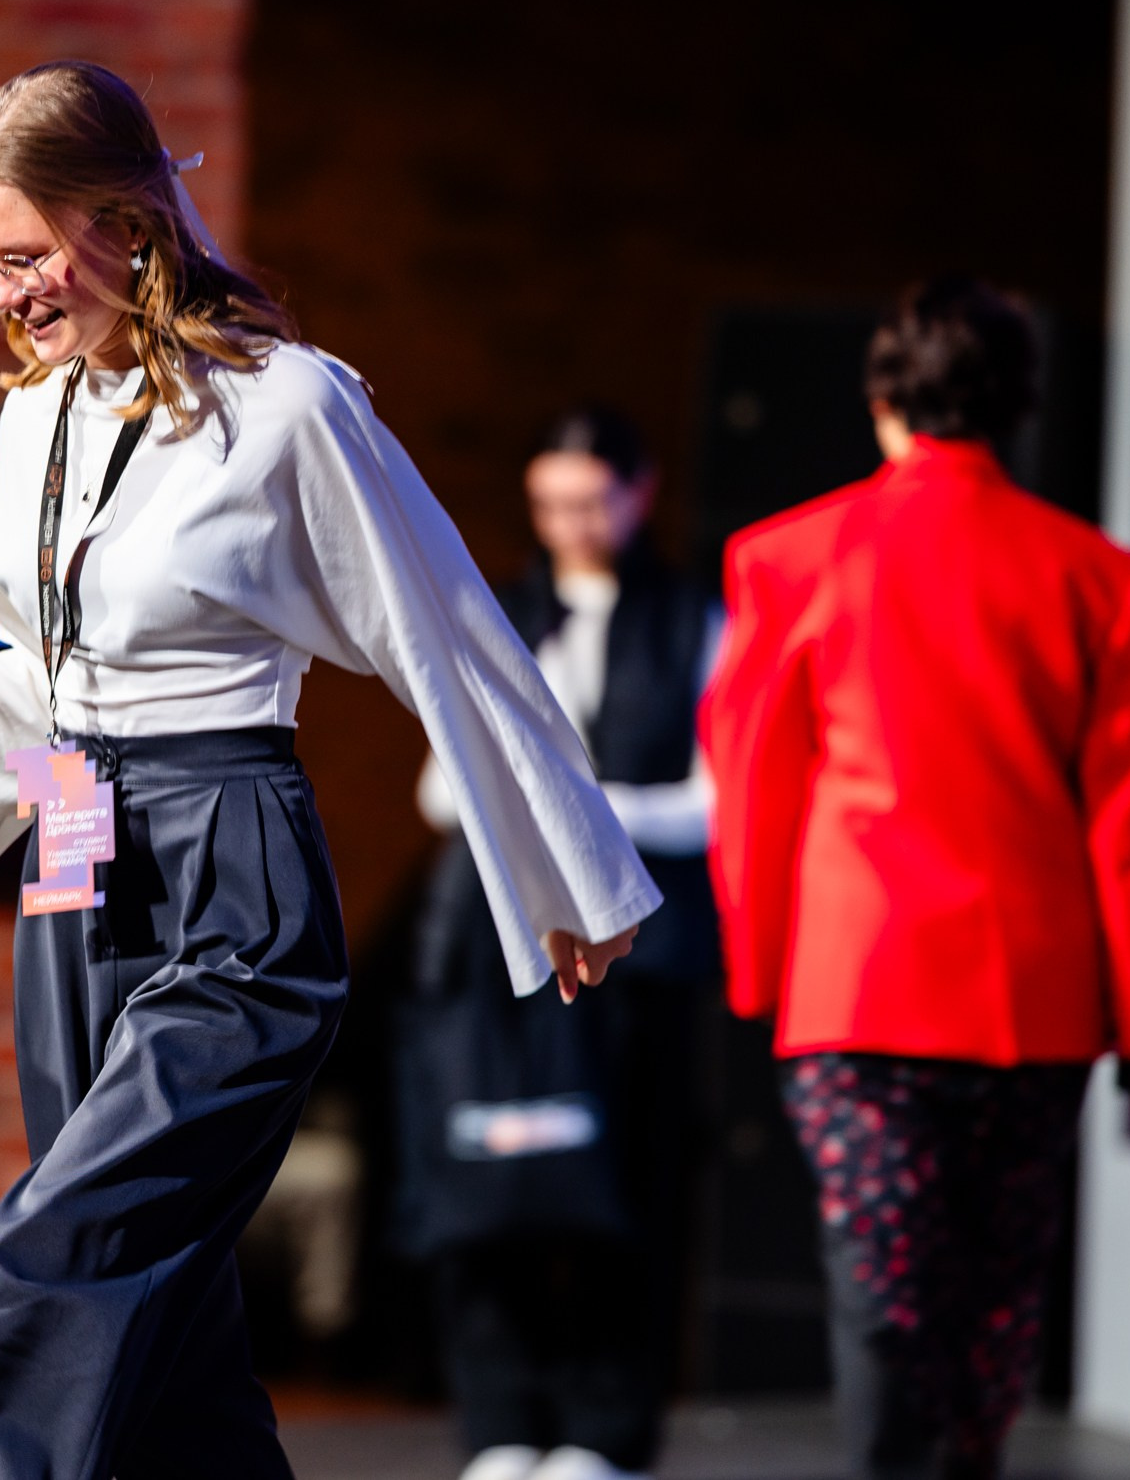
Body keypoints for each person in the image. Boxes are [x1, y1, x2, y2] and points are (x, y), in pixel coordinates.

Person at [0, 59, 657, 1480]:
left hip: (230, 881)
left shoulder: (287, 405)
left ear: (128, 221)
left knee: (42, 1269)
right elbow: (43, 681)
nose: (4, 292)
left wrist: (566, 869)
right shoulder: (35, 415)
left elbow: (450, 634)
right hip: (71, 856)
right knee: (167, 1330)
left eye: (26, 255)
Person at [698, 276, 1130, 1480]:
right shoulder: (1098, 577)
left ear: (881, 401)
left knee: (888, 1298)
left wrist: (759, 977)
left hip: (857, 994)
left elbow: (752, 787)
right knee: (993, 1304)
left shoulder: (789, 558)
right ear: (1021, 407)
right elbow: (1120, 816)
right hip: (1035, 1002)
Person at [400, 408, 719, 1480]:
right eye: (549, 504)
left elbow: (716, 807)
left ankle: (604, 1432)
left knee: (625, 1187)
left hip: (641, 957)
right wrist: (563, 807)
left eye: (589, 500)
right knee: (488, 1183)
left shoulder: (696, 620)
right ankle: (499, 1425)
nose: (569, 523)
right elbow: (441, 788)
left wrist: (570, 807)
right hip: (493, 952)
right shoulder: (497, 608)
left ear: (641, 492)